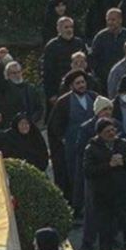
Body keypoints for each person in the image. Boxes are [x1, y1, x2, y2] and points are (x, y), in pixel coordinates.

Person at [83, 117, 126, 250]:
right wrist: (109, 165)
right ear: (99, 133)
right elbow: (88, 171)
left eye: (113, 130)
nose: (111, 133)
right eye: (107, 131)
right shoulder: (91, 149)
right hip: (103, 196)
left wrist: (124, 162)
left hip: (122, 194)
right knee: (106, 232)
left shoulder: (122, 144)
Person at [48, 70, 98, 202]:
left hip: (94, 143)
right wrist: (64, 139)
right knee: (75, 176)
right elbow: (55, 126)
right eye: (78, 83)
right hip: (73, 147)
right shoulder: (63, 102)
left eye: (83, 82)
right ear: (71, 86)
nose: (81, 85)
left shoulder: (93, 97)